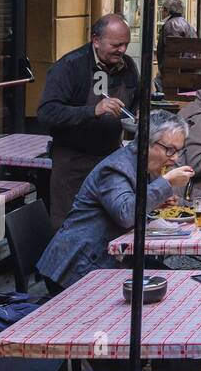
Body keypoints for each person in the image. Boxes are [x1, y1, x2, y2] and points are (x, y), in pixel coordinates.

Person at [36, 111, 195, 291]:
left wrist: (157, 201)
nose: (175, 158)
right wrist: (166, 183)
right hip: (76, 266)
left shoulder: (143, 165)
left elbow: (134, 204)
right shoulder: (115, 168)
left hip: (110, 258)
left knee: (172, 282)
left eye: (178, 151)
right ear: (146, 142)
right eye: (170, 150)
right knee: (160, 288)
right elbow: (125, 214)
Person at [37, 14, 140, 228]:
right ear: (95, 40)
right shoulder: (69, 67)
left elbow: (136, 102)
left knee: (109, 224)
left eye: (125, 44)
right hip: (73, 162)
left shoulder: (128, 66)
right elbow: (47, 112)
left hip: (111, 159)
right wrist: (92, 110)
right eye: (116, 44)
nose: (122, 50)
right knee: (70, 226)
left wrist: (137, 115)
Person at [155, 0, 196, 93]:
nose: (161, 11)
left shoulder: (170, 25)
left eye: (162, 9)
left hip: (177, 74)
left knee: (157, 80)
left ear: (167, 10)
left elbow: (172, 54)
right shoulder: (187, 25)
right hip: (190, 72)